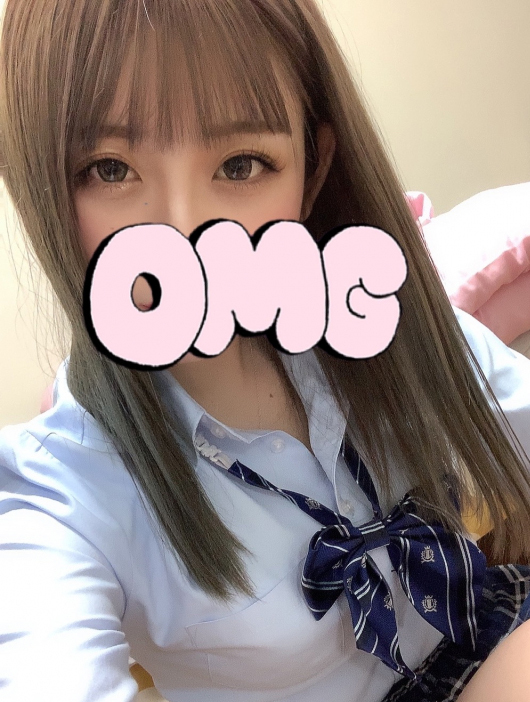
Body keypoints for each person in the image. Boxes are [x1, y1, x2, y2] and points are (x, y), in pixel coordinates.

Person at [1, 1, 530, 701]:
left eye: (241, 164)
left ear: (312, 171)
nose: (186, 235)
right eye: (109, 170)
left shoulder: (378, 321)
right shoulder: (59, 494)